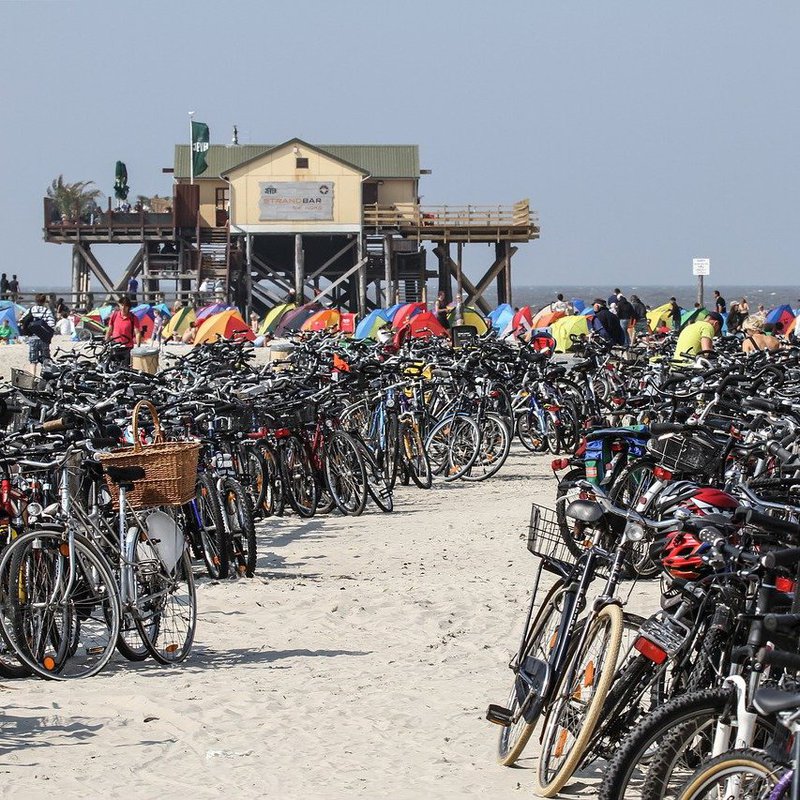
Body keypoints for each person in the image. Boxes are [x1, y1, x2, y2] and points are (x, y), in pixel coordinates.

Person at [105, 296, 141, 367]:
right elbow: (109, 329)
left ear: (129, 307)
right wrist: (106, 340)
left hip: (127, 347)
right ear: (119, 305)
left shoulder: (133, 318)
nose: (123, 308)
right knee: (112, 368)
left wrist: (138, 347)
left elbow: (137, 333)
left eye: (125, 306)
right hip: (115, 346)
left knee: (125, 369)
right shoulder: (114, 315)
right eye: (121, 305)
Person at [26, 293, 55, 374]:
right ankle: (45, 377)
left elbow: (22, 320)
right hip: (44, 337)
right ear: (44, 301)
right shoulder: (47, 311)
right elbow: (52, 324)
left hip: (32, 337)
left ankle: (33, 378)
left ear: (35, 300)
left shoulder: (31, 310)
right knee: (45, 359)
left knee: (33, 361)